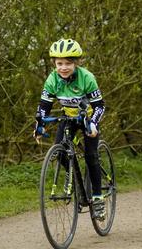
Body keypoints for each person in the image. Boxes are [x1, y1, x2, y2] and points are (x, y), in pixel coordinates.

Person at [34, 38, 106, 220]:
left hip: (87, 117)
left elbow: (100, 106)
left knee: (91, 156)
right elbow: (44, 106)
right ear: (54, 63)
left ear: (76, 63)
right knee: (59, 152)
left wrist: (93, 124)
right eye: (59, 63)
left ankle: (97, 199)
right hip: (68, 118)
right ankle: (74, 177)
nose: (63, 67)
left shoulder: (87, 78)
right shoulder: (52, 79)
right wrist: (39, 126)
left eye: (68, 63)